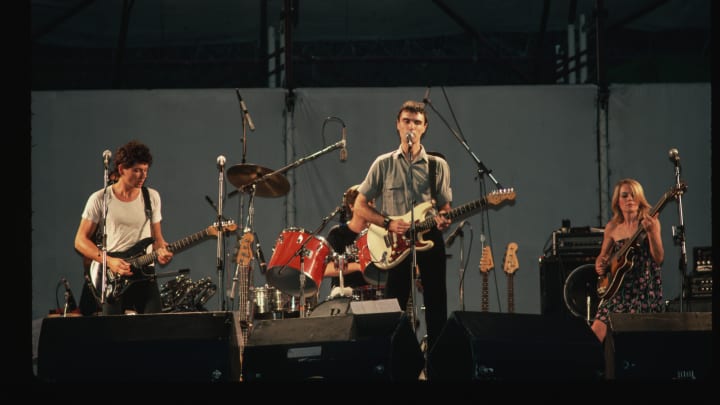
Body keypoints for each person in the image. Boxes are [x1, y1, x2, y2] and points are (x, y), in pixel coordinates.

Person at [353, 100, 452, 352]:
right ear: (398, 125)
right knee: (394, 309)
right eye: (406, 121)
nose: (411, 126)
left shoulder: (437, 165)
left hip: (429, 238)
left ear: (424, 128)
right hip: (396, 245)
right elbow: (360, 205)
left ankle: (436, 366)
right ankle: (395, 363)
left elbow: (445, 206)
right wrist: (387, 223)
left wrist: (443, 217)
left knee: (437, 306)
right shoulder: (383, 164)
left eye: (417, 122)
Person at [74, 140, 173, 315]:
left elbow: (157, 239)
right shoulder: (99, 199)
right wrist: (109, 261)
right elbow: (80, 241)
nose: (143, 175)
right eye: (137, 170)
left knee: (156, 324)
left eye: (145, 170)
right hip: (114, 273)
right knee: (113, 330)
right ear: (121, 170)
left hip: (144, 272)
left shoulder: (152, 197)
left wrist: (162, 251)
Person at [591, 178, 664, 343]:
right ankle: (595, 368)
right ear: (617, 201)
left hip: (644, 289)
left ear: (640, 199)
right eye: (624, 195)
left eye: (633, 195)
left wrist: (652, 233)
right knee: (596, 332)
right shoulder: (612, 227)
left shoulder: (650, 222)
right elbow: (603, 256)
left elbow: (659, 259)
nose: (629, 199)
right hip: (617, 291)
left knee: (632, 342)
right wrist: (600, 264)